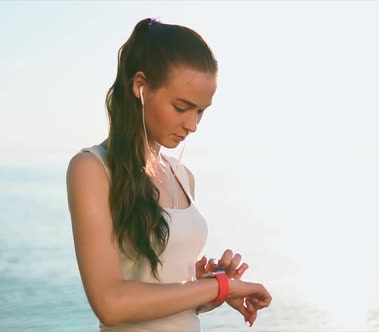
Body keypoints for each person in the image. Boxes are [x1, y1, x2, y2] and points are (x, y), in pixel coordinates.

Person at [66, 18, 272, 331]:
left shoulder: (183, 177)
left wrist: (210, 287)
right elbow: (111, 304)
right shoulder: (92, 169)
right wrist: (220, 288)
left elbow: (170, 301)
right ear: (140, 87)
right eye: (181, 107)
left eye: (201, 111)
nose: (193, 125)